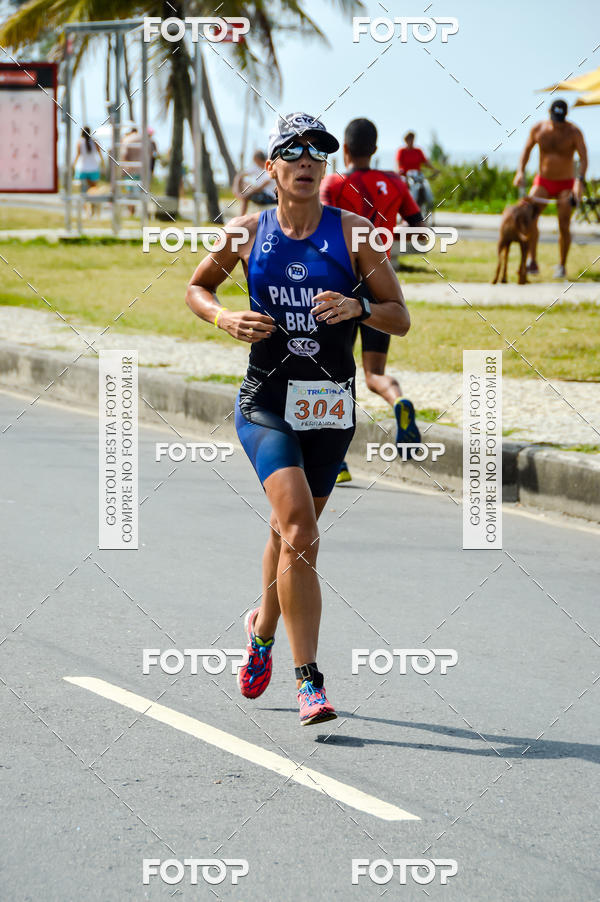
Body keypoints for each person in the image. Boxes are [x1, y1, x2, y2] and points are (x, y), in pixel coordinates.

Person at [185, 112, 410, 726]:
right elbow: (196, 289)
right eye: (293, 151)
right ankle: (309, 680)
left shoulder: (357, 234)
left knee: (292, 533)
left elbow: (398, 315)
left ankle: (259, 631)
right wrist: (224, 318)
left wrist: (357, 305)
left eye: (318, 152)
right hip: (266, 400)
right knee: (302, 532)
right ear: (273, 167)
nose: (307, 160)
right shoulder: (246, 232)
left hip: (330, 406)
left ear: (326, 165)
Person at [320, 117, 423, 483]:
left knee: (335, 373)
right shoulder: (395, 181)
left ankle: (339, 462)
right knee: (374, 373)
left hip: (344, 284)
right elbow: (420, 229)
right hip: (383, 286)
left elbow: (322, 226)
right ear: (376, 149)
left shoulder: (334, 182)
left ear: (345, 149)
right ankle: (399, 403)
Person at [513, 99, 588, 279]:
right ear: (549, 113)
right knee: (529, 215)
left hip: (566, 183)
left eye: (560, 119)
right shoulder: (539, 129)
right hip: (544, 182)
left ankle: (561, 265)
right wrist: (520, 172)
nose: (558, 124)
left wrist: (579, 181)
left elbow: (584, 158)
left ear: (566, 116)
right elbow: (526, 151)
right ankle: (532, 261)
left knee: (564, 223)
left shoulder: (574, 132)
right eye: (555, 119)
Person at [232, 150, 277, 214]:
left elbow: (259, 189)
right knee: (245, 184)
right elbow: (240, 175)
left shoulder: (269, 169)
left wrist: (245, 195)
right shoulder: (257, 167)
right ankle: (241, 216)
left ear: (257, 159)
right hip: (262, 194)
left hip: (270, 198)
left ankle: (241, 217)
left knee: (247, 195)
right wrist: (236, 190)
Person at [72, 126, 103, 194]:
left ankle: (84, 204)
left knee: (83, 191)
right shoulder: (95, 141)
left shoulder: (80, 142)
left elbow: (77, 155)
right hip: (94, 168)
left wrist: (73, 165)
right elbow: (100, 154)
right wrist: (103, 165)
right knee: (94, 190)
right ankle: (93, 203)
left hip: (82, 169)